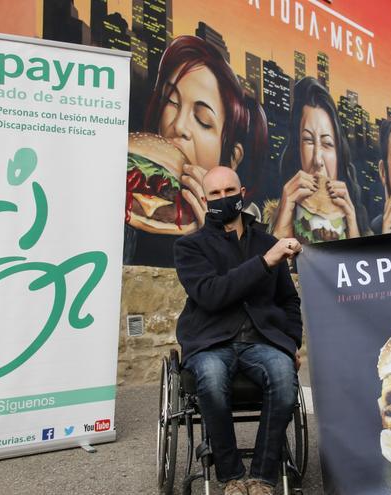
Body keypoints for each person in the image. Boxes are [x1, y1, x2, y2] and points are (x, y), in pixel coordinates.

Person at [173, 166, 302, 495]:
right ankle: (231, 476)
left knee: (284, 376)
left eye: (229, 190)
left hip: (261, 340)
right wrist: (264, 262)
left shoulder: (267, 241)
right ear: (204, 200)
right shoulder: (190, 247)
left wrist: (291, 343)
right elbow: (211, 295)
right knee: (212, 380)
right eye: (214, 194)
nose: (223, 198)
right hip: (211, 340)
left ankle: (261, 476)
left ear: (242, 193)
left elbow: (289, 301)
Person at [125, 35, 268, 266]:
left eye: (202, 120)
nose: (179, 126)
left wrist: (218, 243)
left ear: (232, 159)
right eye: (171, 102)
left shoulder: (252, 237)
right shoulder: (123, 195)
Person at [270, 76, 370, 241]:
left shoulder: (356, 220)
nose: (317, 160)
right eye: (308, 140)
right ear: (297, 149)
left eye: (327, 143)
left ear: (339, 155)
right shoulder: (278, 216)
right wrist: (282, 224)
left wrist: (352, 225)